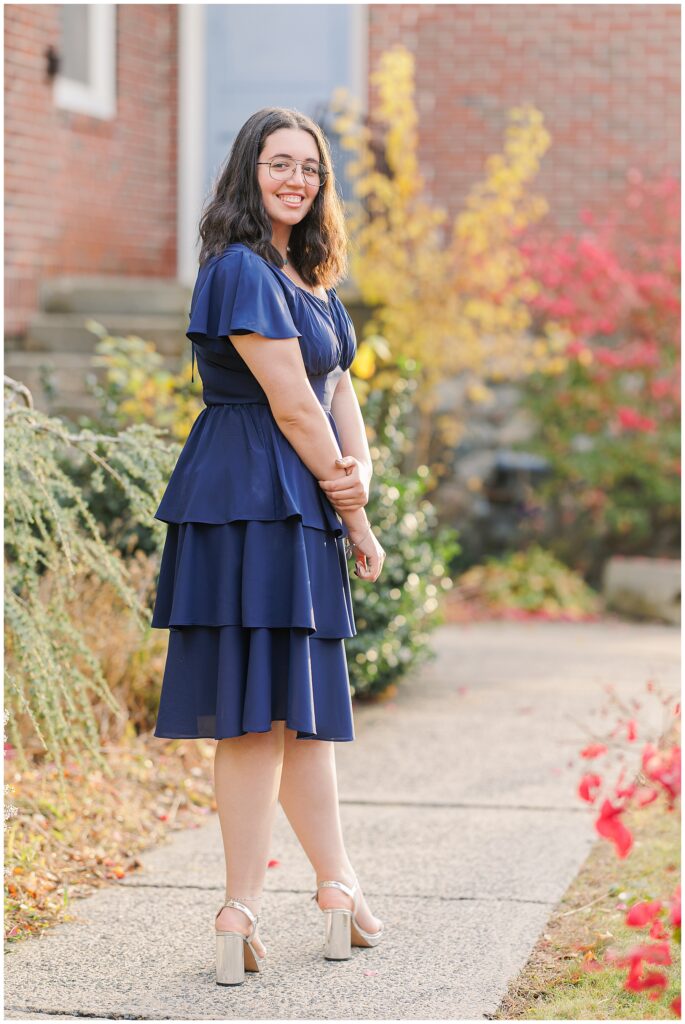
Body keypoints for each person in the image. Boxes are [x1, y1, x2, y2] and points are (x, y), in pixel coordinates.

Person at [150, 107, 386, 985]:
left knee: (299, 710)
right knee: (260, 712)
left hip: (300, 494)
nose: (297, 180)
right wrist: (351, 508)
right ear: (248, 171)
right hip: (251, 498)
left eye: (311, 169)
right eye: (280, 164)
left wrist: (357, 472)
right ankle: (257, 901)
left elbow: (334, 389)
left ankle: (326, 888)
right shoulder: (242, 271)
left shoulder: (307, 273)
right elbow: (291, 405)